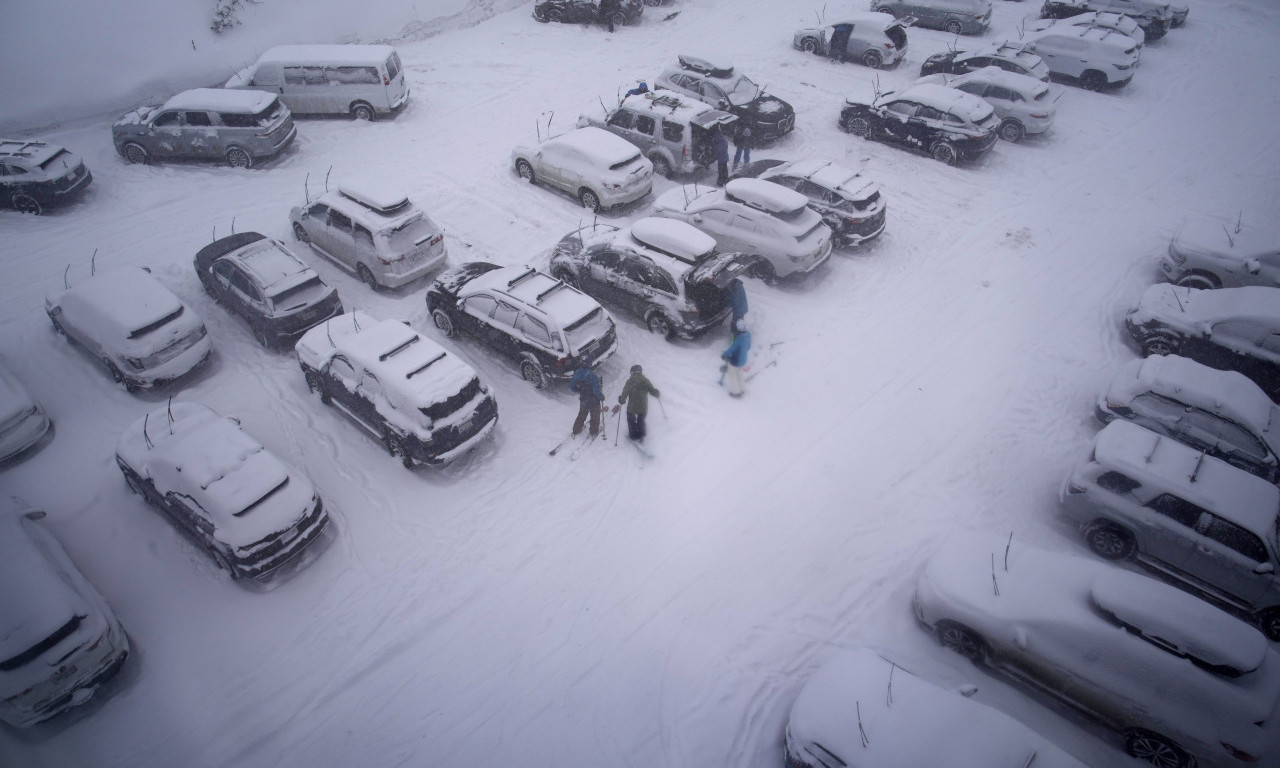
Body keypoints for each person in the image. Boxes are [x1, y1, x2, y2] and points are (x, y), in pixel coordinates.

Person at [614, 364, 660, 443]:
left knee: (631, 419)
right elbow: (652, 391)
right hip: (643, 407)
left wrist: (622, 400)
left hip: (632, 406)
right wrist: (656, 393)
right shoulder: (645, 380)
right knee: (641, 420)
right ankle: (641, 435)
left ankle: (633, 435)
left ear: (632, 372)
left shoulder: (630, 381)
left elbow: (625, 393)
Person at [569, 357, 604, 438]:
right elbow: (596, 390)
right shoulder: (592, 375)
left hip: (583, 399)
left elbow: (571, 386)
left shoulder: (576, 373)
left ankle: (576, 430)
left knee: (582, 413)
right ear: (590, 364)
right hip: (593, 400)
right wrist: (601, 396)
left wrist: (579, 391)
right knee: (595, 415)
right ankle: (594, 432)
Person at [721, 319, 752, 398]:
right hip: (743, 359)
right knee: (739, 374)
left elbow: (732, 348)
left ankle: (736, 392)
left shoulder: (740, 338)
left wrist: (725, 354)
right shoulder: (748, 335)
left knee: (732, 375)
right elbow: (748, 347)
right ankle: (742, 389)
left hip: (736, 360)